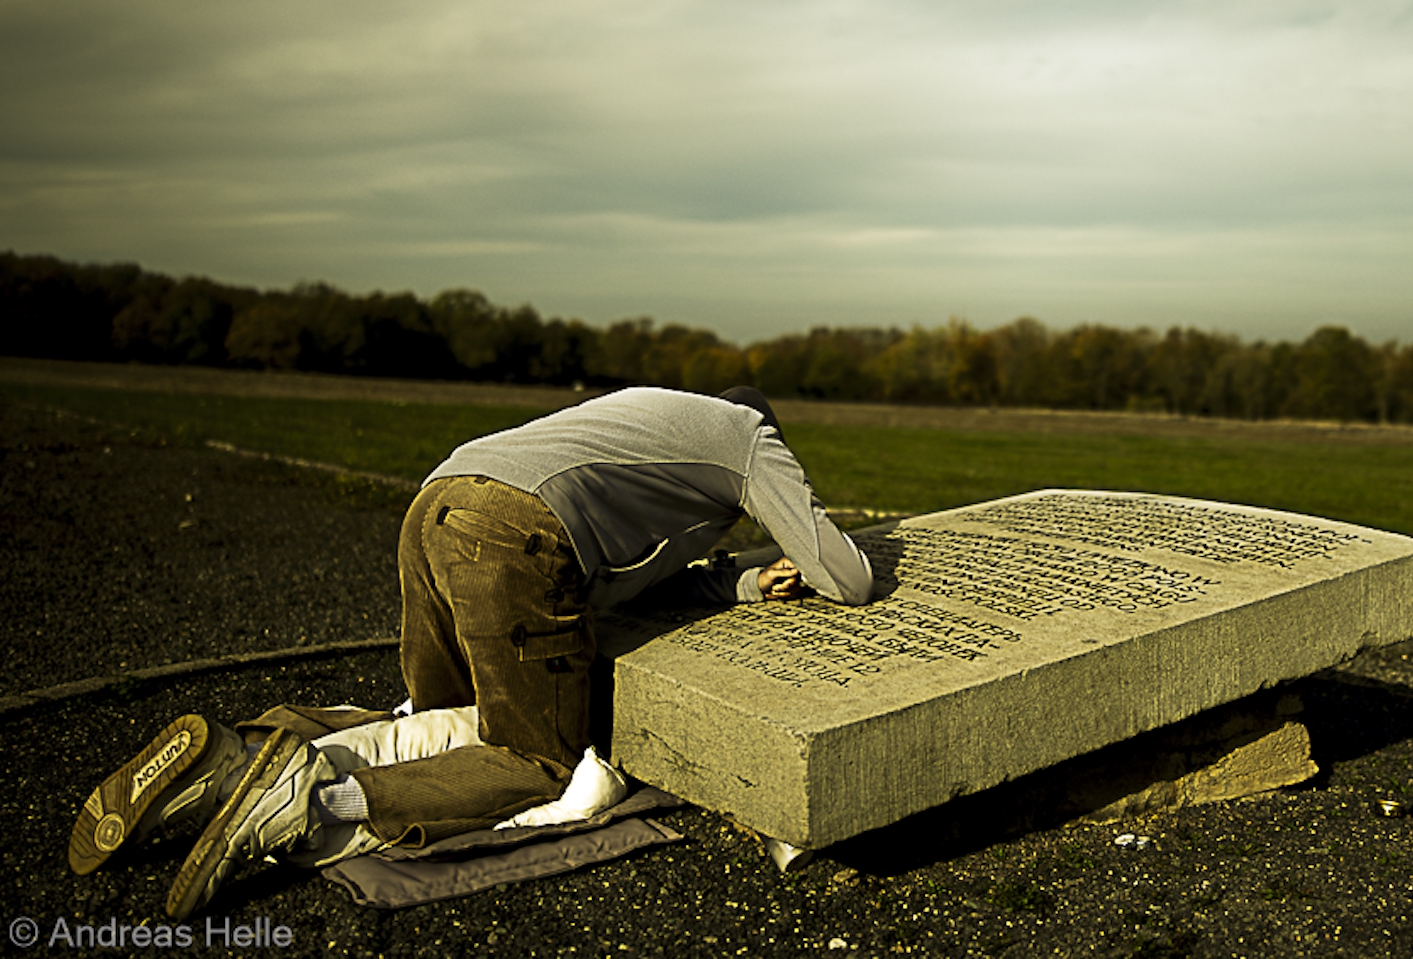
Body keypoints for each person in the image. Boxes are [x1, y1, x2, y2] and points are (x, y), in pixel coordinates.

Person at [68, 385, 874, 920]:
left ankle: (237, 754)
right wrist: (837, 553)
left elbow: (618, 579)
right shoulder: (745, 435)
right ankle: (310, 799)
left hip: (437, 506)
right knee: (533, 758)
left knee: (441, 717)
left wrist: (733, 583)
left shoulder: (642, 417)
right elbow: (845, 576)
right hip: (510, 537)